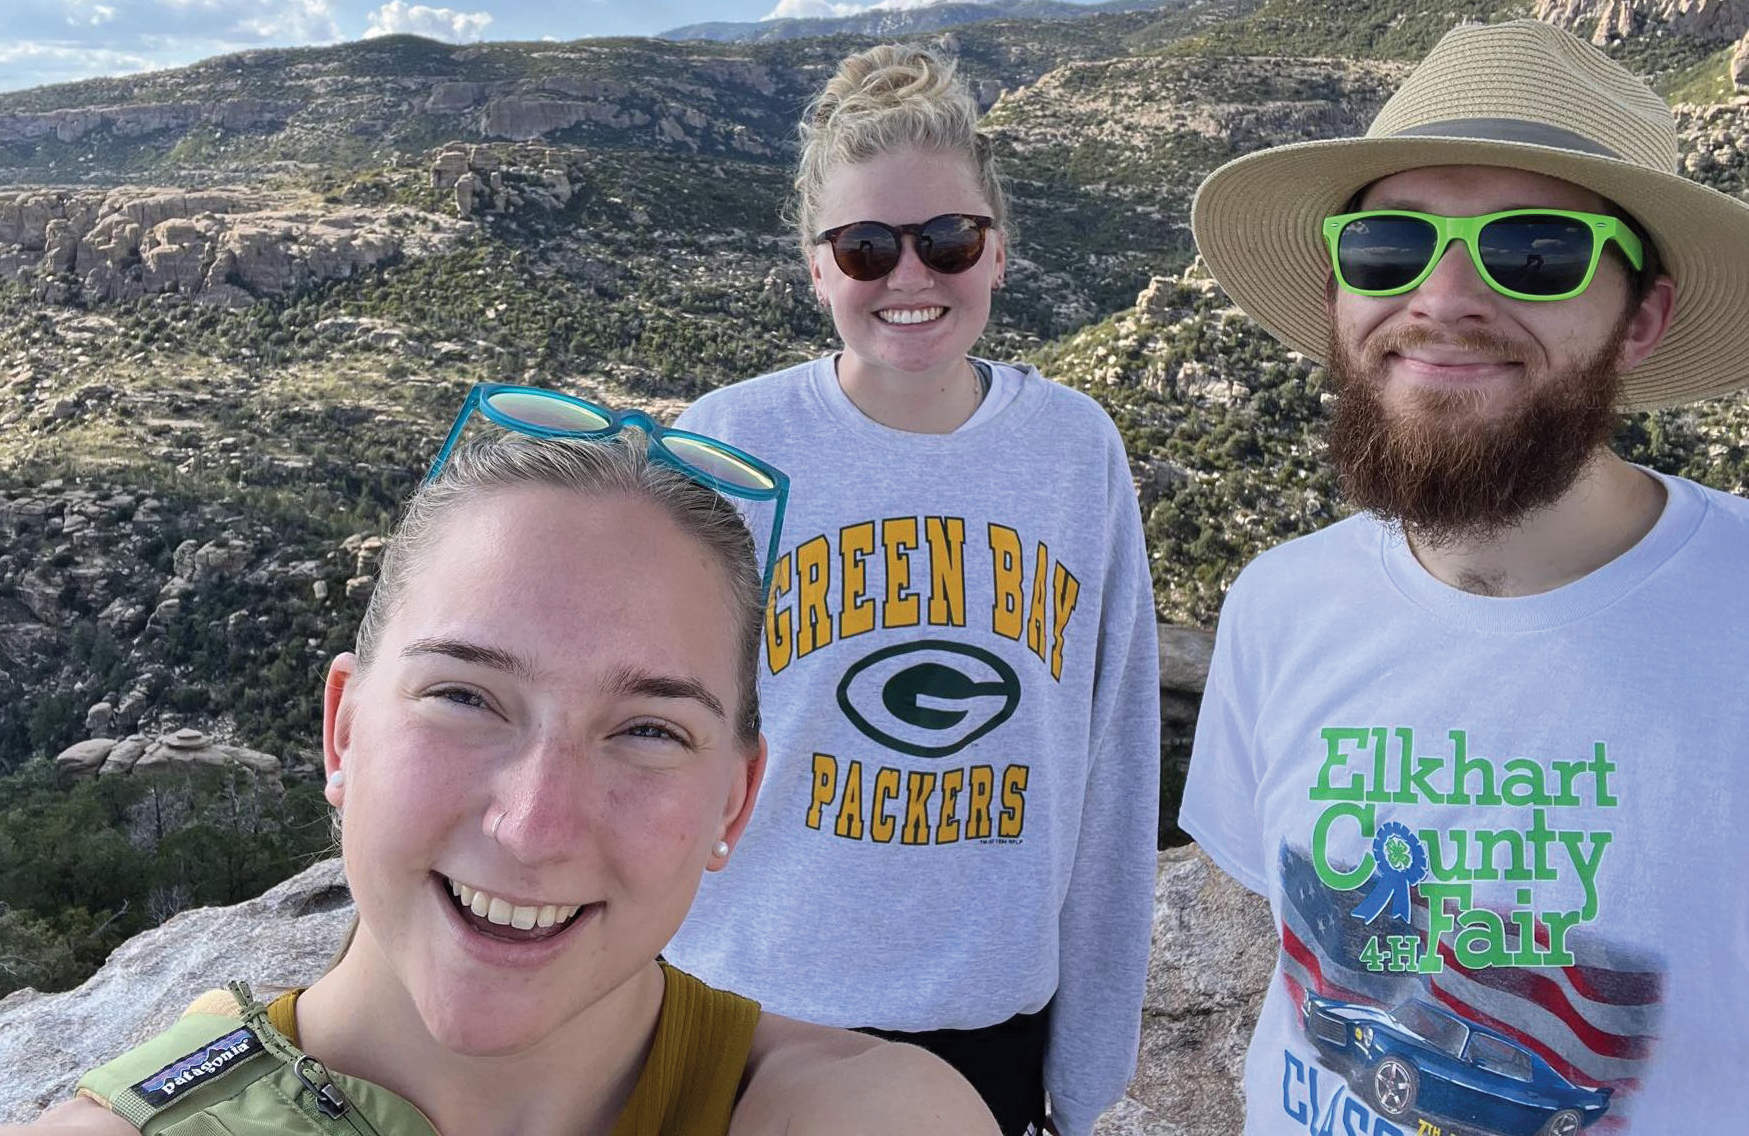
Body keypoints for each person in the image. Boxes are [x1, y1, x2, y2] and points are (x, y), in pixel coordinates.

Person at [2, 387, 999, 1136]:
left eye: (649, 730)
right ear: (343, 732)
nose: (535, 826)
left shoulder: (856, 1110)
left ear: (733, 804)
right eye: (466, 697)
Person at [1182, 18, 1749, 1135]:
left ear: (1642, 318)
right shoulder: (1277, 605)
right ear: (1339, 296)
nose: (1440, 299)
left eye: (1534, 251)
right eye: (1386, 248)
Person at [663, 43, 1161, 1136]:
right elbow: (637, 730)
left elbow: (1115, 760)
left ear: (997, 252)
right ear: (817, 269)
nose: (909, 276)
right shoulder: (727, 444)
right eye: (865, 247)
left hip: (982, 1025)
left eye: (947, 240)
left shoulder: (1074, 451)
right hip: (735, 1010)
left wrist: (1085, 1077)